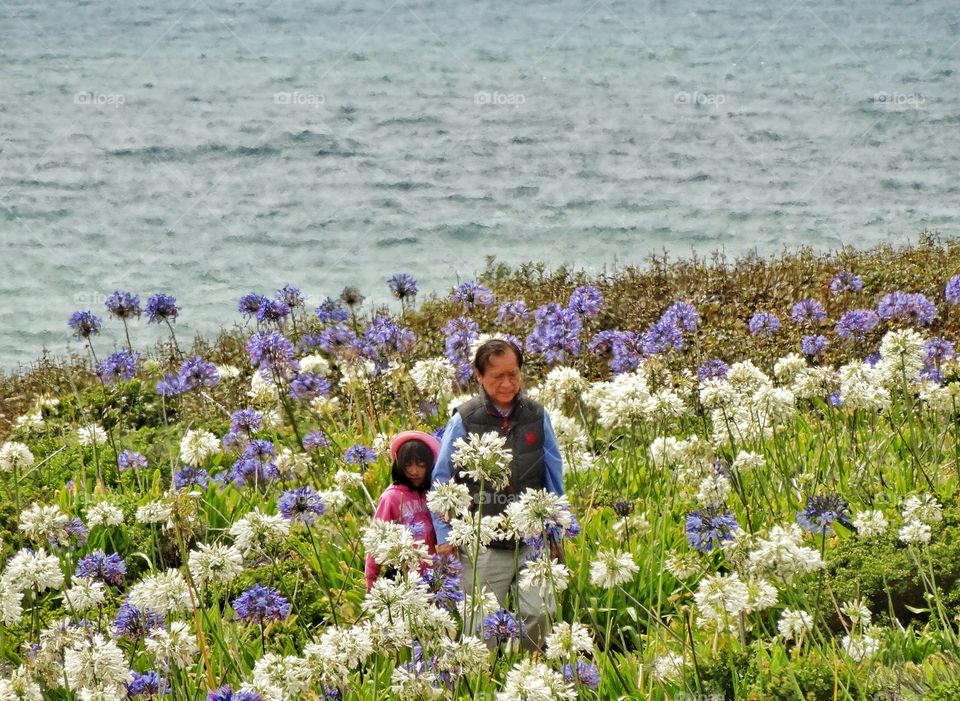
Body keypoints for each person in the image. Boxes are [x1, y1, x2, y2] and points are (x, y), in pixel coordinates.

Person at [431, 339, 564, 650]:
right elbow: (441, 479)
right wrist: (444, 535)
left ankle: (530, 674)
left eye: (513, 375)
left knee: (540, 612)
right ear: (479, 376)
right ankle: (484, 680)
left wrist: (556, 529)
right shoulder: (464, 418)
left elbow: (553, 476)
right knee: (480, 627)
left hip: (533, 538)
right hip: (483, 542)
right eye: (497, 377)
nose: (508, 384)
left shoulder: (537, 415)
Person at [364, 430, 440, 591]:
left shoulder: (432, 494)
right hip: (403, 579)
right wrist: (371, 582)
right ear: (399, 466)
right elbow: (376, 541)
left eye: (421, 465)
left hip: (434, 577)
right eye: (407, 465)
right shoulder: (391, 498)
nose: (414, 471)